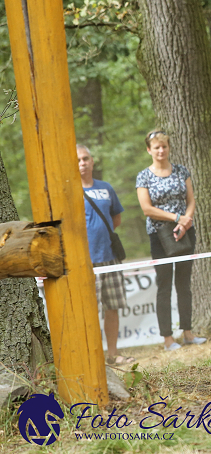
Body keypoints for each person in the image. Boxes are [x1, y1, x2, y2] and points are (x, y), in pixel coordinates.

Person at [135, 130, 206, 351]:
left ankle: (188, 333)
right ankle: (167, 338)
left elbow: (191, 200)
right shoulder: (144, 176)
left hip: (185, 232)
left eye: (164, 146)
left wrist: (185, 222)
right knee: (164, 285)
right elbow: (147, 208)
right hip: (159, 235)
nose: (161, 150)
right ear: (149, 150)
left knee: (184, 284)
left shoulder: (181, 171)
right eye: (156, 147)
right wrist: (175, 217)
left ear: (169, 148)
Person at [77, 144, 135, 366]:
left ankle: (112, 354)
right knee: (88, 310)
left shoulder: (106, 188)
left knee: (112, 307)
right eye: (78, 160)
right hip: (84, 262)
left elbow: (116, 219)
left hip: (109, 257)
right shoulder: (70, 189)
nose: (82, 163)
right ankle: (92, 356)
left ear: (92, 161)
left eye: (85, 158)